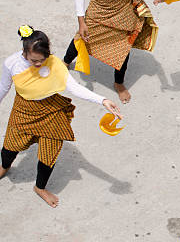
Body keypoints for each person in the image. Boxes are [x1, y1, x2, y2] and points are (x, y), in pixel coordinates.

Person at [0, 26, 122, 207]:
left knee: (49, 154)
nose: (38, 64)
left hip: (51, 111)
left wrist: (102, 100)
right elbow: (3, 88)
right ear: (24, 52)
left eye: (42, 60)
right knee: (11, 145)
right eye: (34, 60)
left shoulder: (54, 63)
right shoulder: (12, 64)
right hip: (24, 110)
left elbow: (73, 87)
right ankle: (4, 167)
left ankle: (40, 187)